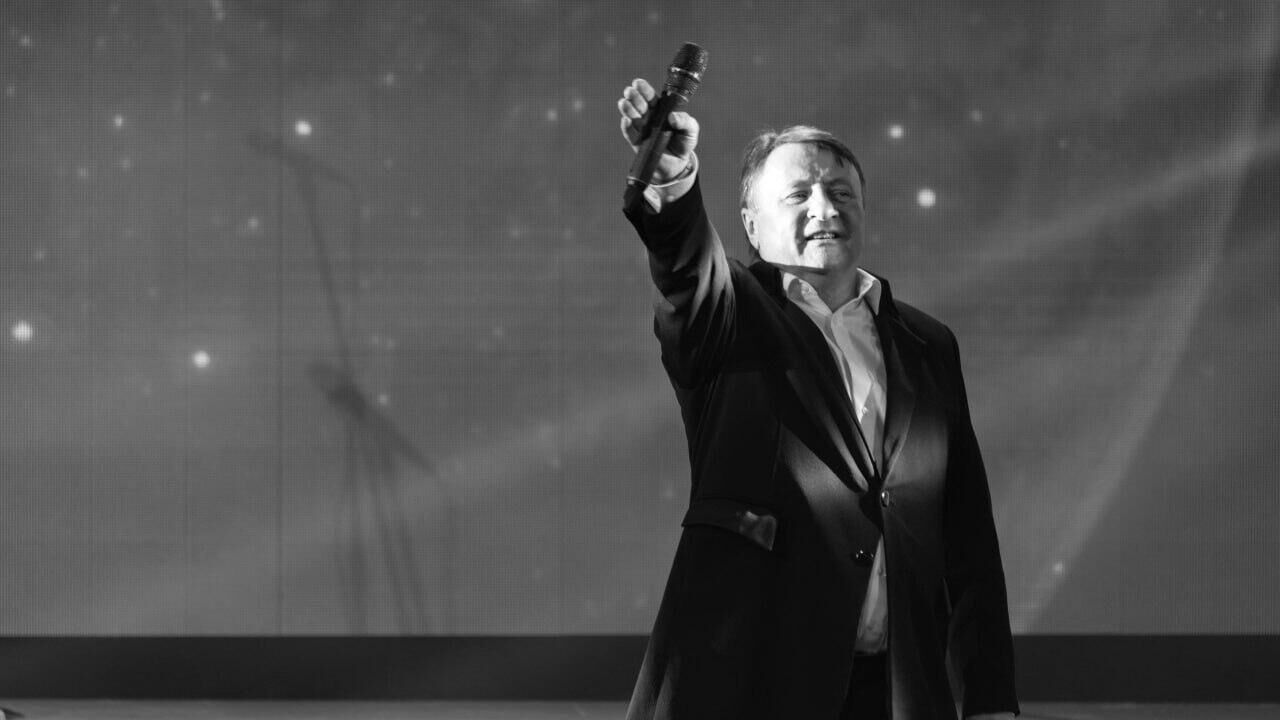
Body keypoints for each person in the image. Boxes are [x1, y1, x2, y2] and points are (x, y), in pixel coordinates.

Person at [616, 77, 1020, 720]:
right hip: (751, 681)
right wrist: (673, 182)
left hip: (896, 691)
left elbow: (966, 533)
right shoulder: (728, 316)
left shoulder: (927, 343)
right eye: (798, 194)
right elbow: (685, 264)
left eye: (840, 192)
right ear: (751, 224)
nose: (825, 208)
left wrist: (989, 697)